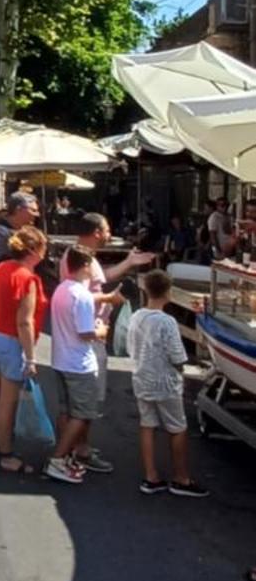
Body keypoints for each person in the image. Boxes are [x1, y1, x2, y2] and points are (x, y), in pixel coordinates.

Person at [60, 213, 156, 474]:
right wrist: (109, 302)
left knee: (75, 402)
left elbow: (98, 283)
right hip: (88, 339)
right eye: (106, 230)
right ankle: (76, 451)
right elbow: (86, 296)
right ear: (96, 232)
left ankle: (75, 448)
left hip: (78, 340)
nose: (109, 234)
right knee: (85, 403)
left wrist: (128, 262)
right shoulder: (80, 260)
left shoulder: (81, 258)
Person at [127, 270, 208, 497]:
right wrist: (181, 368)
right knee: (177, 427)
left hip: (141, 377)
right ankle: (181, 478)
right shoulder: (167, 322)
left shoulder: (136, 316)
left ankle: (150, 475)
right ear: (168, 292)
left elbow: (130, 346)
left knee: (147, 424)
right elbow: (178, 356)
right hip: (164, 381)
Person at [0, 191, 40, 438]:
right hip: (5, 316)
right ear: (19, 209)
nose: (36, 214)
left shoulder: (12, 231)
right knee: (4, 374)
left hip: (5, 317)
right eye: (33, 209)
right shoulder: (2, 233)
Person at [0, 226, 48, 473]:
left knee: (2, 396)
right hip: (11, 339)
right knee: (8, 401)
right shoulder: (27, 278)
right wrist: (31, 358)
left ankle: (2, 440)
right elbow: (25, 321)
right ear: (33, 251)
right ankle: (5, 453)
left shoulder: (2, 269)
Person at [47, 247, 102, 485]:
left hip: (61, 359)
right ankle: (58, 458)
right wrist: (101, 330)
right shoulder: (82, 295)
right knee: (81, 414)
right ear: (87, 266)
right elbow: (86, 332)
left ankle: (66, 453)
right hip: (79, 363)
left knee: (66, 412)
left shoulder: (61, 289)